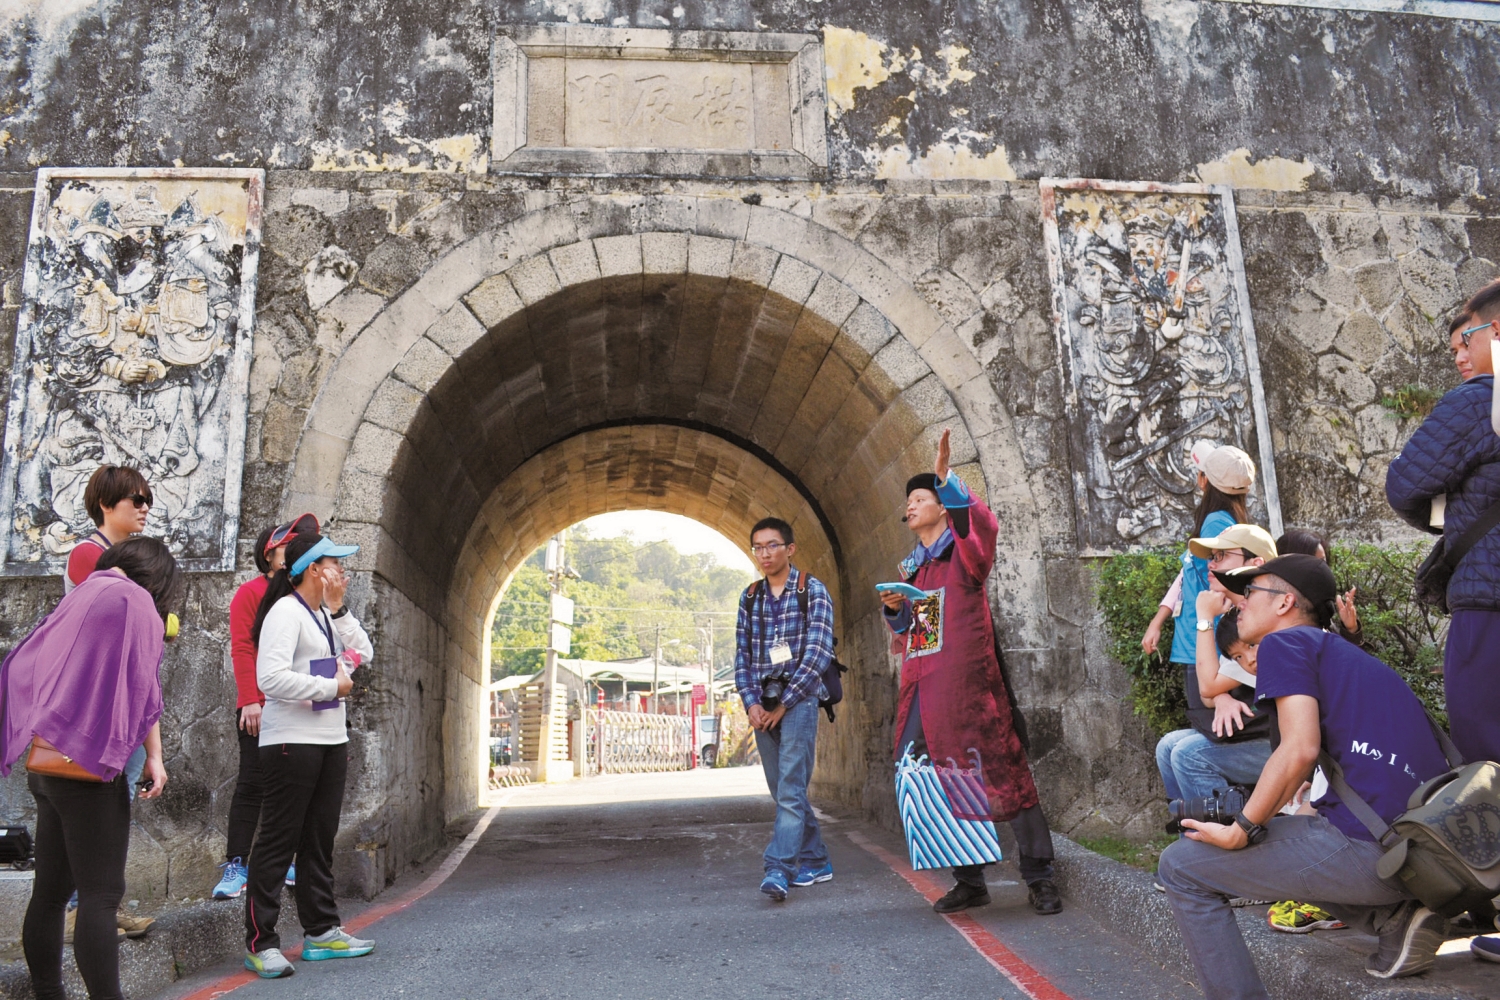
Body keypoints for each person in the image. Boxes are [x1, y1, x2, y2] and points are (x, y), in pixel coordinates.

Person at [1157, 554, 1453, 997]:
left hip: (1375, 853)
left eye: (1250, 592)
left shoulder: (1284, 643)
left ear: (1284, 603)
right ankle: (1394, 920)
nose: (1240, 603)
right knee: (1294, 831)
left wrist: (1241, 829)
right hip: (1420, 854)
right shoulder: (1347, 656)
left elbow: (1299, 750)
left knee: (1180, 866)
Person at [881, 429, 1061, 916]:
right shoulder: (914, 569)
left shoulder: (963, 553)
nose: (911, 505)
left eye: (922, 498)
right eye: (909, 501)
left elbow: (983, 526)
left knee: (1003, 770)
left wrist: (947, 480)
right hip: (923, 690)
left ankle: (1040, 875)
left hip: (970, 688)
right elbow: (915, 635)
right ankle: (969, 878)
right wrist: (896, 610)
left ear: (944, 508)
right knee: (930, 776)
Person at [1, 537, 179, 1000]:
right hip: (89, 764)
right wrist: (151, 756)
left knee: (50, 892)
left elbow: (26, 659)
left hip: (46, 757)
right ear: (157, 577)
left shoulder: (82, 593)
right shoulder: (135, 602)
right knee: (101, 895)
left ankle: (48, 994)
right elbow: (142, 686)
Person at [1386, 277, 1500, 963]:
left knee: (1487, 753)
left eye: (1465, 340)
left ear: (1496, 333)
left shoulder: (1478, 400)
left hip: (1489, 602)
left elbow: (1405, 483)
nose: (1457, 356)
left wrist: (1448, 509)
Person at [243, 532, 374, 979]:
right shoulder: (285, 612)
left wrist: (339, 609)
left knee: (318, 840)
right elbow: (270, 678)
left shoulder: (324, 613)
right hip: (290, 741)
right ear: (314, 570)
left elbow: (364, 651)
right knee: (278, 841)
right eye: (335, 563)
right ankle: (261, 943)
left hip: (330, 739)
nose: (343, 570)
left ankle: (321, 932)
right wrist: (329, 686)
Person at [212, 514, 320, 900]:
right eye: (287, 544)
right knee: (252, 784)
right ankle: (238, 863)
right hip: (262, 704)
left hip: (302, 707)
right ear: (269, 553)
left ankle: (285, 861)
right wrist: (249, 701)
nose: (295, 549)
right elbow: (243, 647)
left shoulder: (308, 595)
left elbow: (322, 648)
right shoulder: (250, 593)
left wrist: (324, 702)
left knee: (294, 788)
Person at [734, 516, 834, 902]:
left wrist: (787, 702)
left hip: (800, 700)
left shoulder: (812, 590)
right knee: (782, 791)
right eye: (758, 547)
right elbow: (741, 656)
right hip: (763, 704)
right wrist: (751, 703)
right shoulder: (750, 597)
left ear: (789, 549)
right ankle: (817, 859)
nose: (765, 553)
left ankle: (778, 868)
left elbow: (818, 653)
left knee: (791, 789)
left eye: (772, 545)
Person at [1154, 524, 1276, 809]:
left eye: (1222, 556)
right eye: (1212, 556)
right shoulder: (1237, 616)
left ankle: (1231, 830)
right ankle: (1191, 828)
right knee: (1168, 746)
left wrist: (1204, 618)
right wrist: (1221, 697)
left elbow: (1208, 686)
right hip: (1267, 733)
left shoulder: (1264, 619)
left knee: (1188, 754)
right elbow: (1210, 692)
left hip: (1290, 742)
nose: (1211, 564)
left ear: (1254, 563)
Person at [64, 465, 152, 595]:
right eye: (138, 501)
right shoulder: (86, 552)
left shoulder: (135, 553)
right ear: (105, 504)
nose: (145, 508)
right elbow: (116, 599)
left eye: (148, 501)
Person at [1275, 529, 1362, 645]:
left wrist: (1351, 629)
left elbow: (1342, 654)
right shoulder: (1275, 616)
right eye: (1314, 563)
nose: (1321, 569)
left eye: (1323, 563)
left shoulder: (1320, 611)